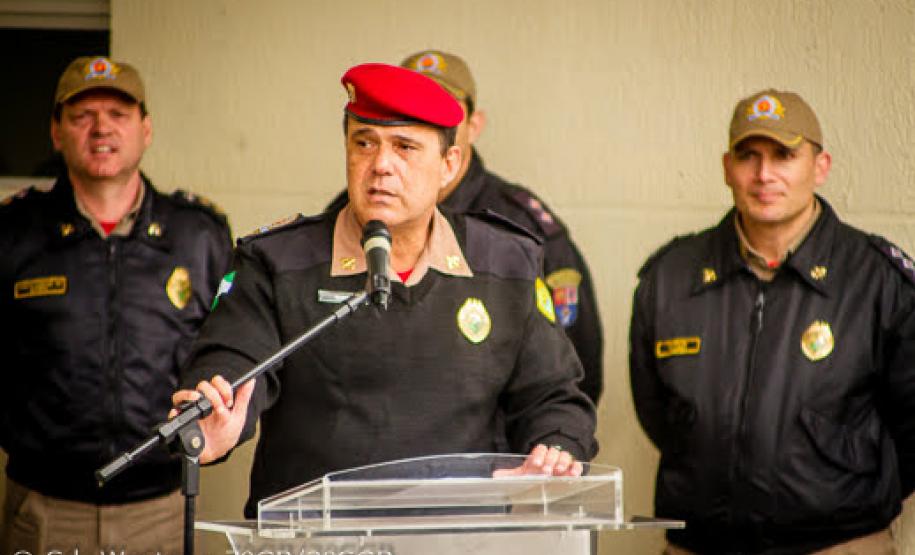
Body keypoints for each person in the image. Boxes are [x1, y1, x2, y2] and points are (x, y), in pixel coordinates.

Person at [173, 63, 598, 518]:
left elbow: (553, 395)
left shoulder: (505, 262)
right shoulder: (280, 261)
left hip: (459, 538)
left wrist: (556, 446)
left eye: (405, 147)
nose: (381, 165)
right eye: (364, 144)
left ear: (449, 165)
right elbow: (231, 360)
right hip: (316, 540)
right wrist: (215, 414)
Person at [629, 88, 915, 554]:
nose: (764, 175)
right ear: (727, 167)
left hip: (836, 546)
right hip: (703, 545)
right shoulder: (671, 276)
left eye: (784, 155)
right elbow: (658, 413)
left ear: (819, 167)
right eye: (748, 156)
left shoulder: (876, 280)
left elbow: (910, 428)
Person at [0, 56, 233, 555]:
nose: (101, 127)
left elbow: (229, 346)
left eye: (118, 113)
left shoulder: (199, 235)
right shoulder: (15, 232)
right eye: (82, 115)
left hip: (160, 508)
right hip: (44, 508)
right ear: (56, 132)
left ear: (145, 129)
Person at [327, 50, 604, 404]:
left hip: (492, 450)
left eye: (444, 106)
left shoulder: (521, 224)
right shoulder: (351, 209)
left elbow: (575, 369)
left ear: (473, 126)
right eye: (412, 105)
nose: (425, 115)